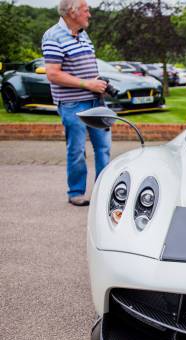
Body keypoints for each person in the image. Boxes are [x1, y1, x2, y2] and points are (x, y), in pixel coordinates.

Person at [42, 0, 110, 207]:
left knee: (104, 148)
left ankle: (103, 191)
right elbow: (53, 74)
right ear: (72, 13)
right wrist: (87, 84)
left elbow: (85, 66)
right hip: (73, 104)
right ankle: (76, 192)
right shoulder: (53, 36)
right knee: (77, 150)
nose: (89, 15)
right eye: (86, 11)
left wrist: (97, 82)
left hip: (95, 100)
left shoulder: (83, 33)